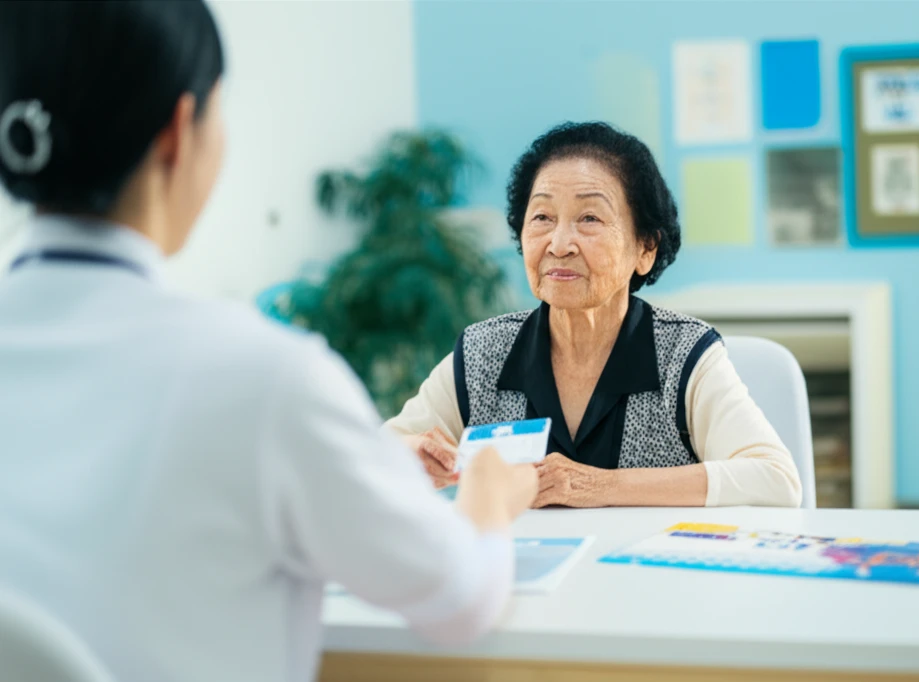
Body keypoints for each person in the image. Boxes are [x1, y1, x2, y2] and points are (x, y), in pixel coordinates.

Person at [0, 3, 537, 682]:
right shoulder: (264, 377)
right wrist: (489, 490)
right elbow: (460, 599)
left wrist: (371, 465)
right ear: (179, 131)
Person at [390, 122, 802, 509]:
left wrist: (596, 485)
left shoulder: (684, 353)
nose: (559, 244)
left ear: (645, 248)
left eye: (589, 218)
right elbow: (376, 457)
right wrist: (411, 456)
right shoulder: (483, 353)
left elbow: (776, 480)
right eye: (542, 217)